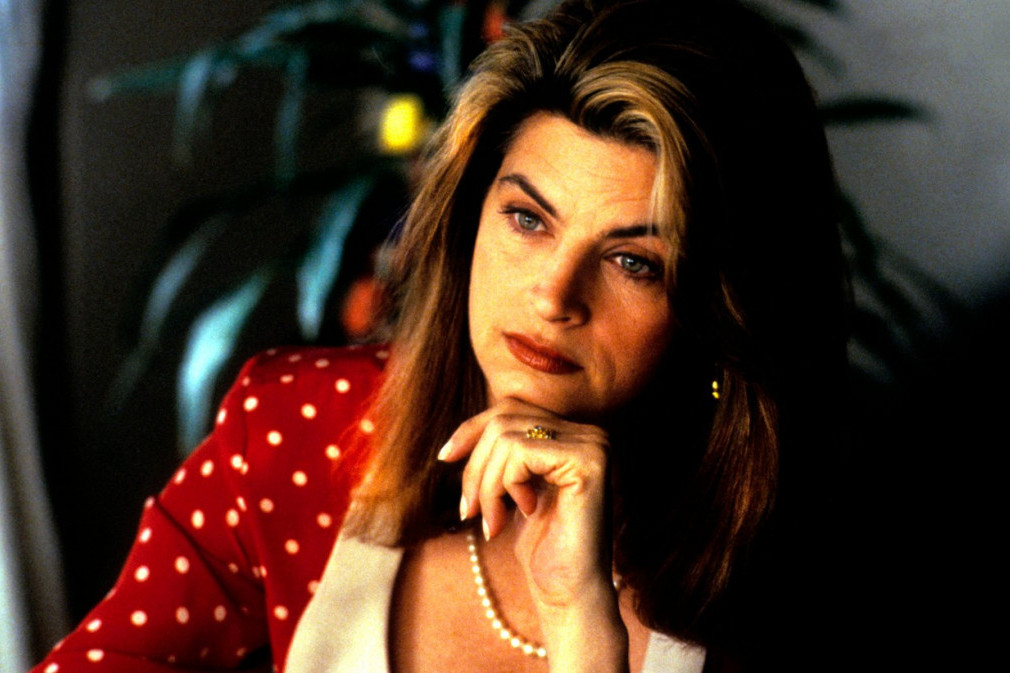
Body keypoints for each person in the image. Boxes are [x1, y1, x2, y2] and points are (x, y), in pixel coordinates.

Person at [32, 0, 847, 671]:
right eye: (527, 219)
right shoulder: (300, 429)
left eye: (634, 263)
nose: (553, 295)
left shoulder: (804, 562)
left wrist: (579, 622)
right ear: (468, 220)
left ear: (725, 307)